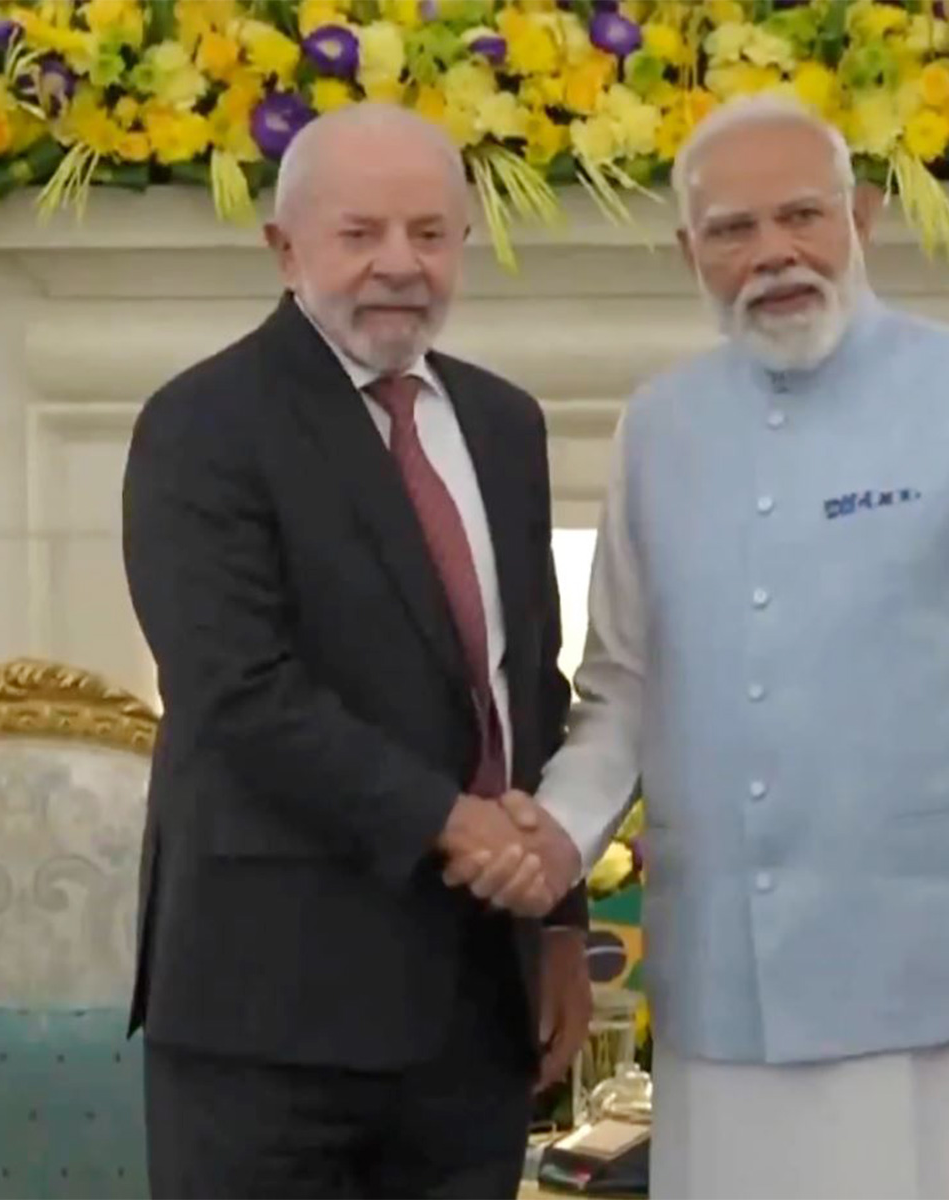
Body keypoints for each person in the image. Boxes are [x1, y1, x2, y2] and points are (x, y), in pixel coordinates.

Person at [474, 94, 949, 1199]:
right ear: (687, 250)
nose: (774, 253)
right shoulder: (657, 427)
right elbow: (622, 693)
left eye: (802, 215)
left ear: (863, 219)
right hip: (725, 1004)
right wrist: (549, 841)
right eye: (734, 230)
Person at [122, 104, 591, 1199]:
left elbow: (525, 689)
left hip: (473, 1015)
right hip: (270, 1016)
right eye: (360, 233)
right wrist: (452, 822)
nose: (399, 265)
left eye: (430, 235)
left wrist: (557, 914)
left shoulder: (504, 424)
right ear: (285, 250)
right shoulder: (202, 423)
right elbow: (237, 692)